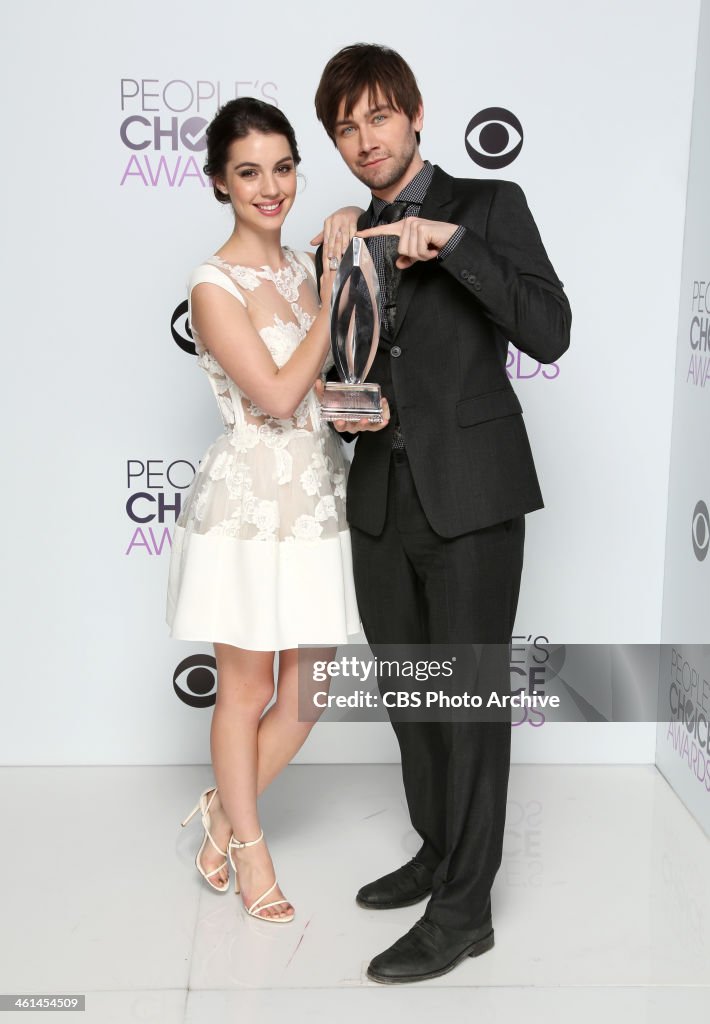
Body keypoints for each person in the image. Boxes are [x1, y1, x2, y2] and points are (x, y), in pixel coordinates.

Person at [313, 44, 571, 981]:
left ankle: (466, 910)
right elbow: (346, 367)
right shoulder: (341, 234)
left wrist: (452, 246)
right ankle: (437, 849)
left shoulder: (488, 207)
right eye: (344, 127)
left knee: (467, 705)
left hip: (474, 498)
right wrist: (351, 398)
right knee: (413, 702)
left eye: (377, 116)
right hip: (381, 496)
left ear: (415, 114)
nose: (363, 139)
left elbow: (550, 328)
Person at [166, 97, 362, 922]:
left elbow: (316, 397)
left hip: (316, 498)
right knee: (244, 692)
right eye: (249, 171)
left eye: (283, 168)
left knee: (307, 695)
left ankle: (219, 813)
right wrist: (334, 289)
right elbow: (277, 393)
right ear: (220, 182)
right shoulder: (213, 284)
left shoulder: (297, 269)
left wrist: (356, 407)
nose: (271, 186)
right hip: (248, 508)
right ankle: (250, 851)